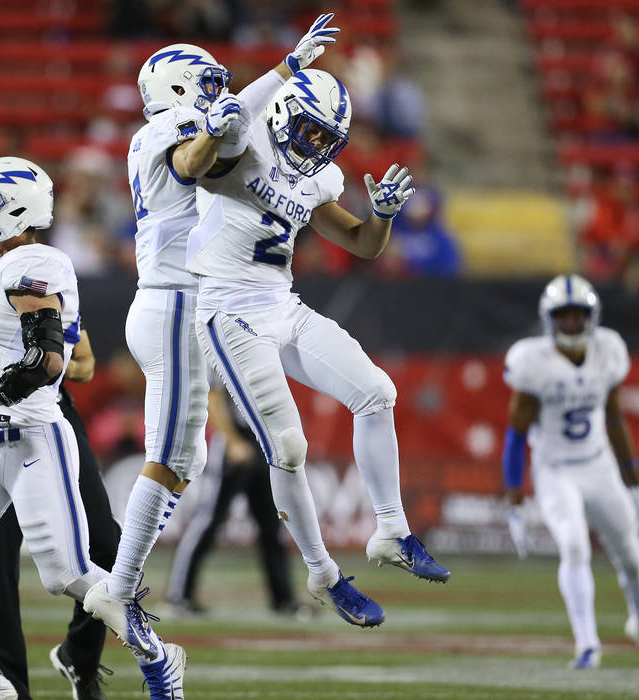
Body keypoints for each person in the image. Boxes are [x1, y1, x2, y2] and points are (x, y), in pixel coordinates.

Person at [86, 14, 341, 643]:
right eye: (205, 82)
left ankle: (109, 598)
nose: (215, 90)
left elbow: (226, 129)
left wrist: (285, 71)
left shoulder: (173, 126)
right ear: (176, 88)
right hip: (174, 302)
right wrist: (282, 70)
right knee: (170, 456)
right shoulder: (167, 131)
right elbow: (195, 160)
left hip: (181, 303)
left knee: (191, 456)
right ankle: (118, 589)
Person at [0, 156, 181, 699]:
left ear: (17, 211)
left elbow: (47, 364)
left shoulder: (36, 263)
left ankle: (160, 658)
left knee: (67, 576)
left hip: (31, 440)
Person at [184, 65, 450, 630]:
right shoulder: (246, 138)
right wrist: (222, 120)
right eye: (311, 132)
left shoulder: (319, 178)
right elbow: (194, 167)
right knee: (288, 445)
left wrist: (380, 216)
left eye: (329, 139)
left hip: (282, 303)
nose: (318, 147)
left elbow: (361, 243)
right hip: (228, 311)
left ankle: (391, 530)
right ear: (281, 115)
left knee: (378, 392)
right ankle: (323, 574)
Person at [501, 274, 639, 670]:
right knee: (574, 547)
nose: (572, 324)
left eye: (579, 316)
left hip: (599, 465)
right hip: (556, 470)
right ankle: (587, 644)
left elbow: (614, 419)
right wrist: (514, 499)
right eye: (564, 316)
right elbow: (515, 436)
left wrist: (635, 484)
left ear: (591, 317)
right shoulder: (534, 362)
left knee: (630, 552)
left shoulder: (607, 351)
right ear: (550, 319)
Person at [166, 383, 301, 617]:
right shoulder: (225, 348)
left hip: (263, 443)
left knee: (271, 525)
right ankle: (179, 595)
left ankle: (283, 599)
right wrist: (231, 440)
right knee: (208, 522)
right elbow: (214, 397)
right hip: (234, 442)